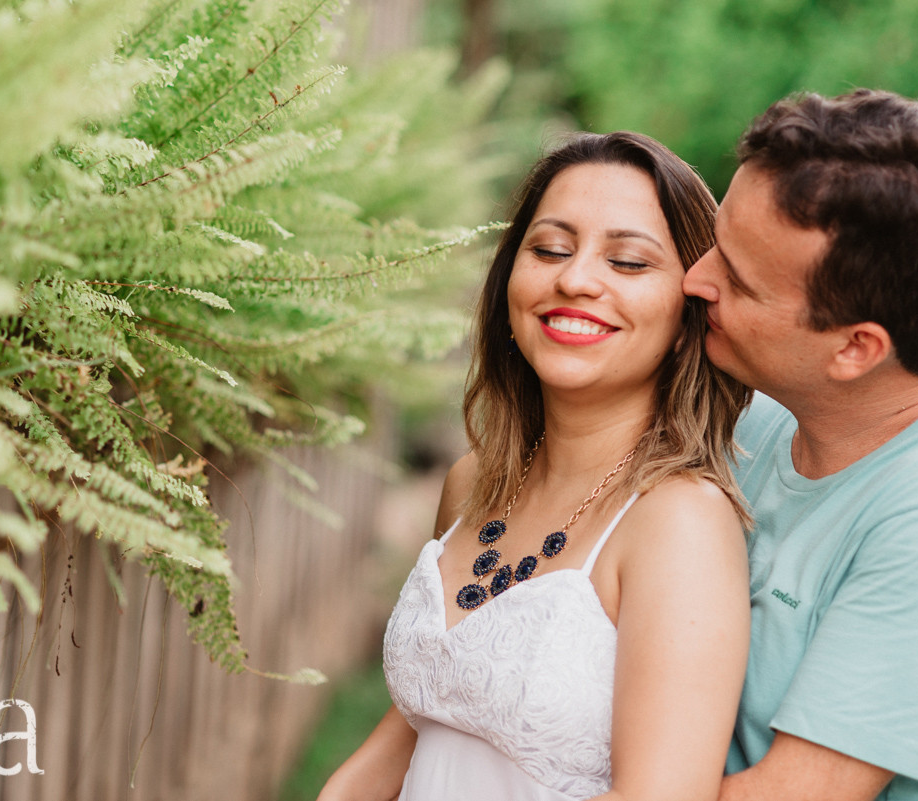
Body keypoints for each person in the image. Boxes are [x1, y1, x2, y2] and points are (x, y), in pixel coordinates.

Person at [318, 131, 752, 801]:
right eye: (549, 249)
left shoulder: (679, 519)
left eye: (629, 262)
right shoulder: (471, 483)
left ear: (688, 310)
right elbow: (417, 726)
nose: (574, 279)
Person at [682, 88, 918, 800]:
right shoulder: (757, 419)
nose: (696, 279)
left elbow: (790, 794)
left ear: (855, 348)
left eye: (736, 278)